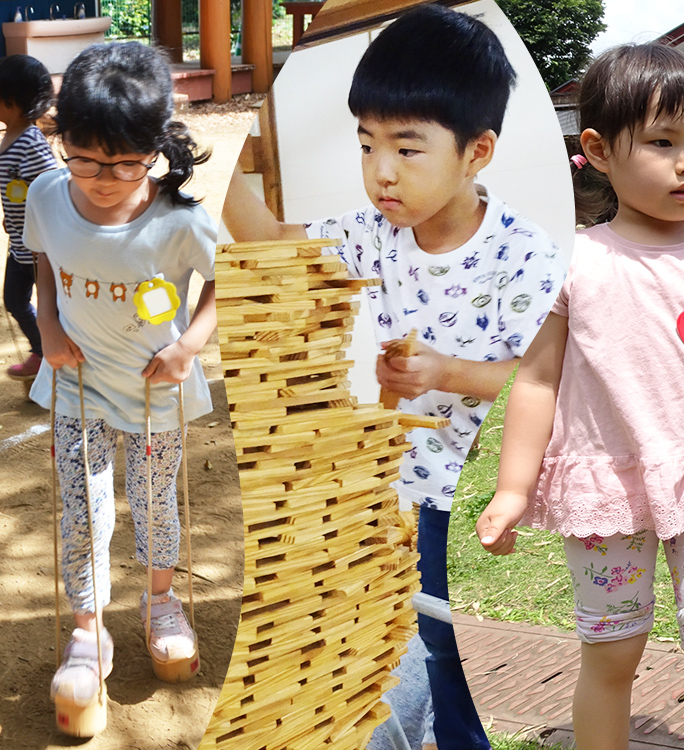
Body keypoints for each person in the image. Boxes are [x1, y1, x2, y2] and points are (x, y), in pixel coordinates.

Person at [224, 5, 567, 748]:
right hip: (384, 490)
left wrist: (445, 371)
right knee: (402, 657)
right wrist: (211, 164)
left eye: (407, 149)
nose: (381, 170)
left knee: (438, 657)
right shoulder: (370, 233)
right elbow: (278, 242)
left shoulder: (525, 254)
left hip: (462, 497)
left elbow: (543, 379)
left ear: (477, 152)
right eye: (367, 143)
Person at [476, 42, 684, 750]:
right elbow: (538, 380)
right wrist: (513, 488)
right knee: (611, 655)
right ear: (599, 150)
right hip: (605, 487)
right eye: (665, 142)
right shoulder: (574, 261)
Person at [23, 42, 217, 729]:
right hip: (75, 386)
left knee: (156, 501)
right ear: (61, 137)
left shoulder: (180, 220)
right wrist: (46, 326)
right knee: (83, 511)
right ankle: (85, 629)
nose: (102, 178)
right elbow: (42, 265)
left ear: (155, 149)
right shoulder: (47, 194)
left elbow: (228, 281)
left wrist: (190, 345)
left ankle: (161, 601)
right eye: (83, 156)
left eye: (124, 162)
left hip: (155, 395)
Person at [0, 54, 57, 381]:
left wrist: (40, 230)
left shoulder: (30, 144)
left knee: (55, 308)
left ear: (10, 103)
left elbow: (51, 188)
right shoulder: (11, 139)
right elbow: (17, 189)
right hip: (19, 243)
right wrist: (13, 215)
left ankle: (54, 361)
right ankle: (42, 352)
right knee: (14, 301)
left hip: (40, 248)